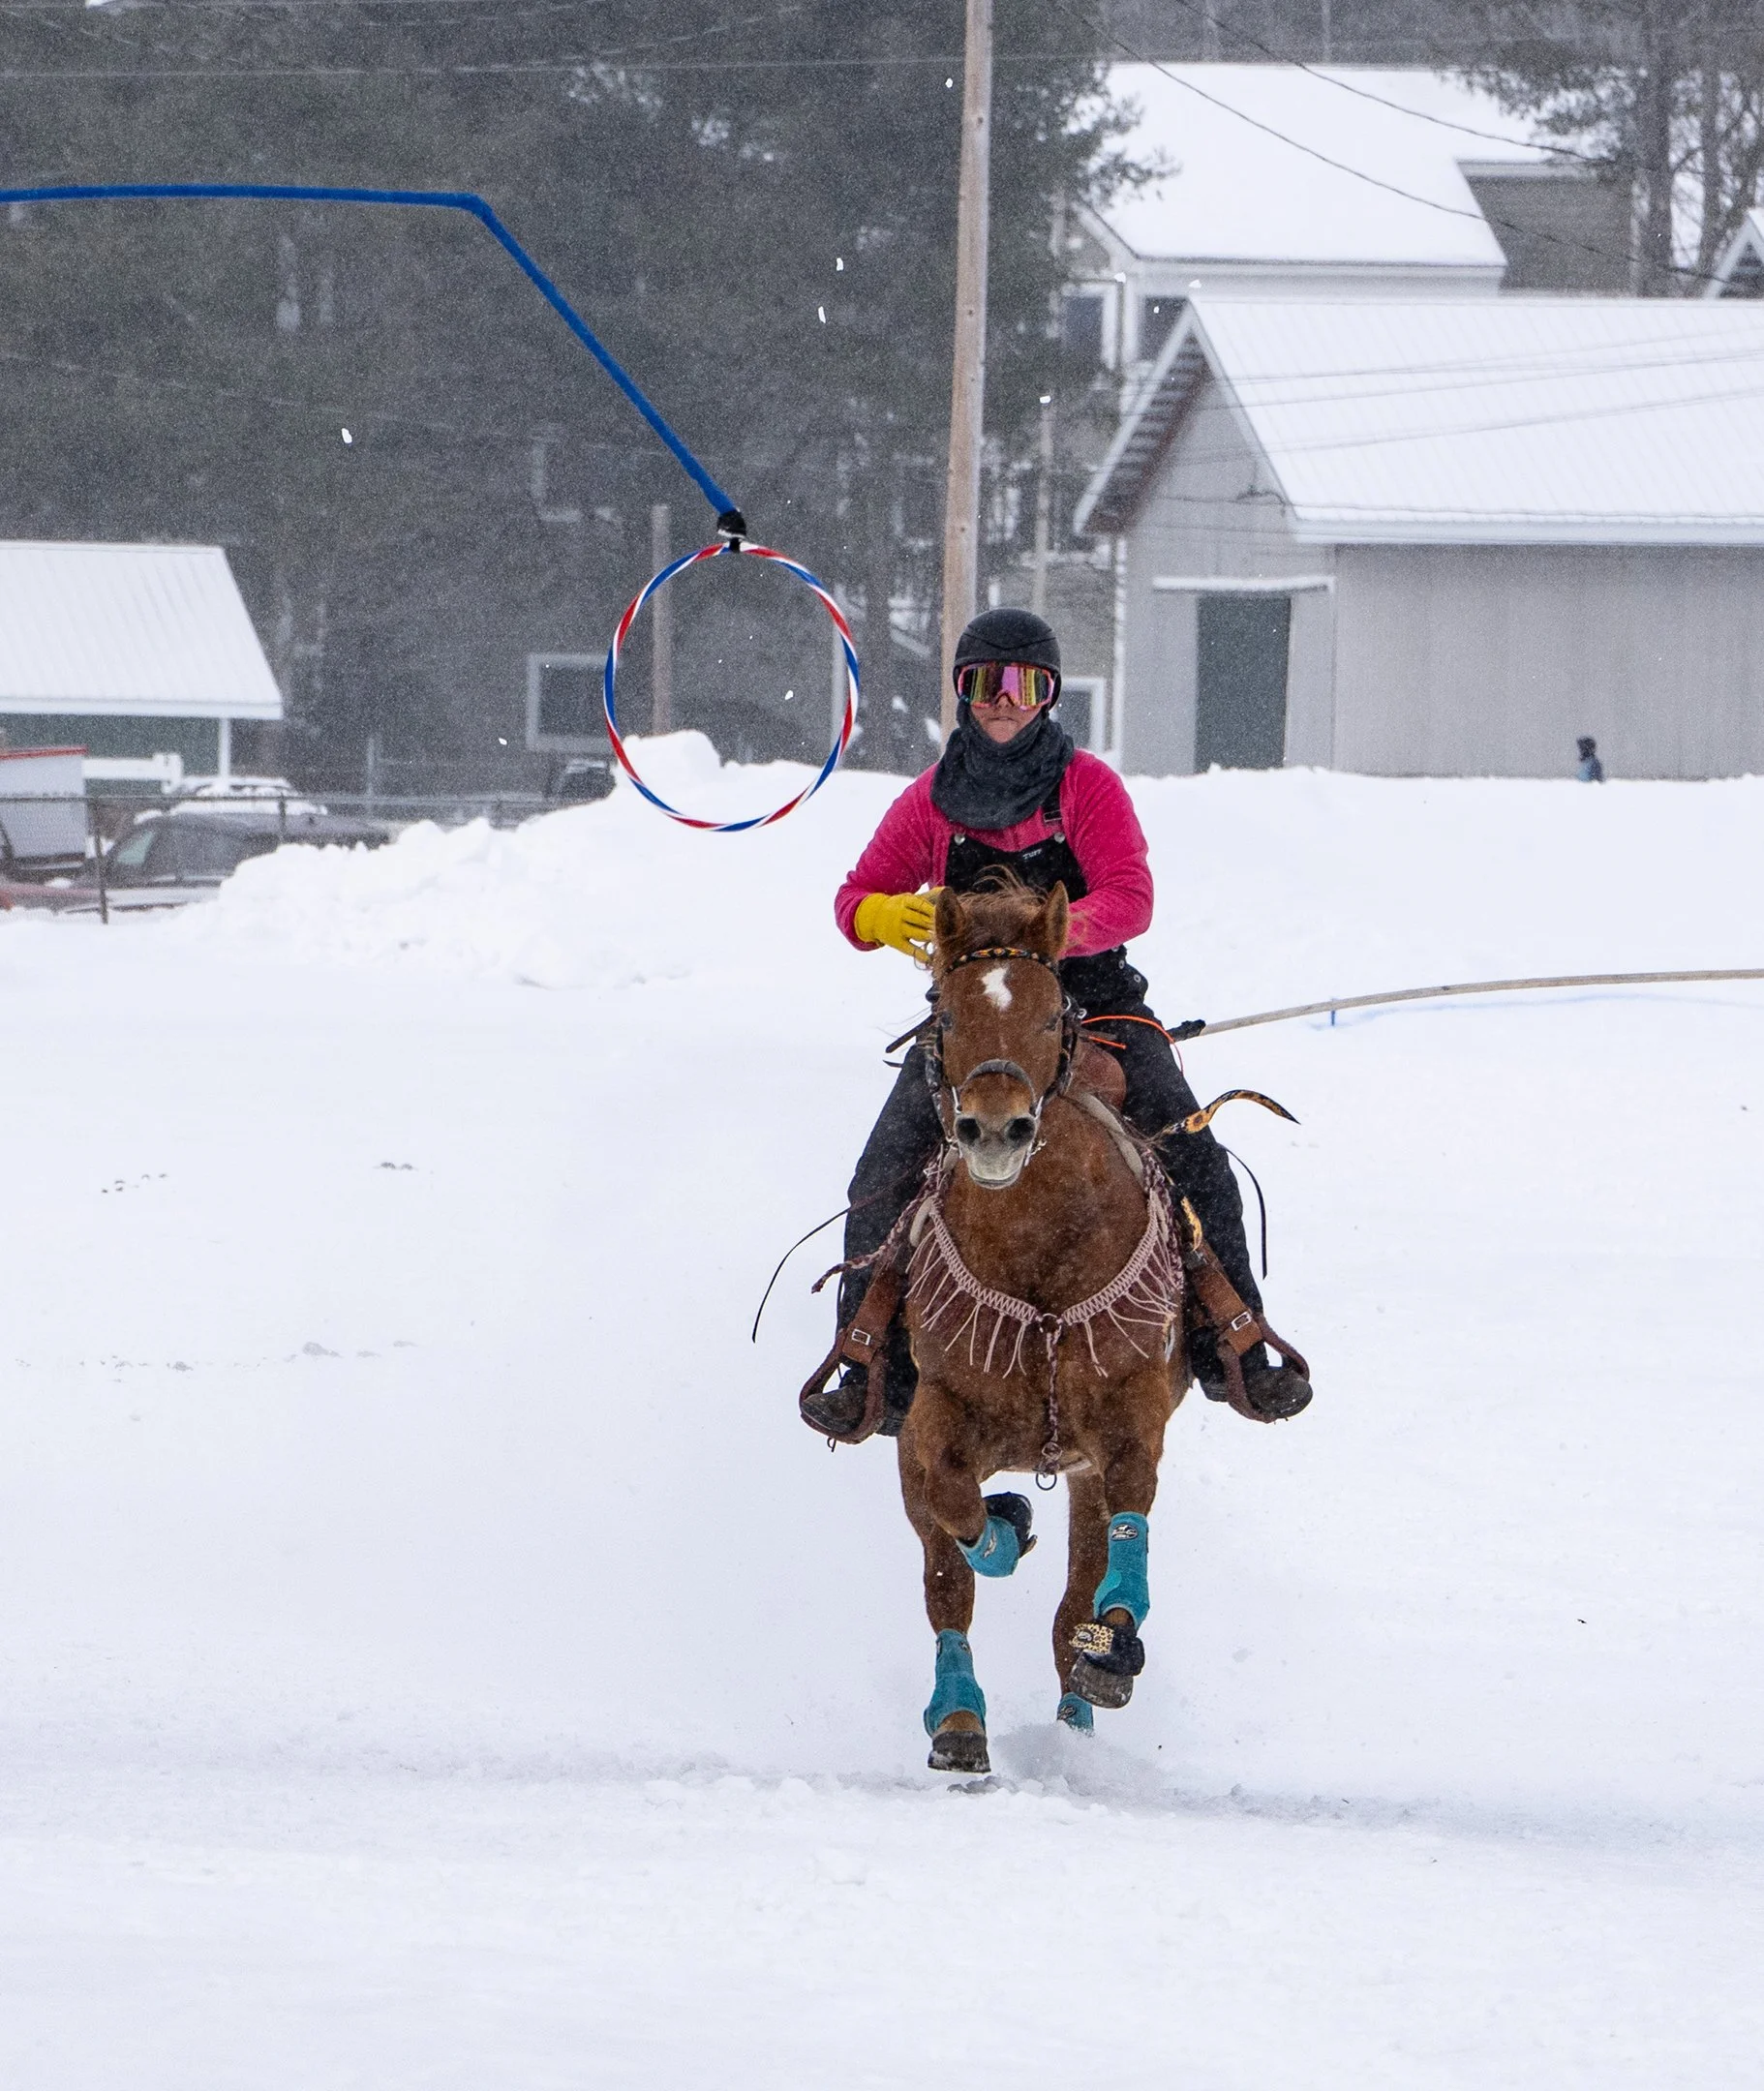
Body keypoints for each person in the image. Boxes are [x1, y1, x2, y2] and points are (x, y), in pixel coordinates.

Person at [802, 605, 1312, 1439]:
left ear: (1049, 696)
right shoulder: (930, 802)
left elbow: (1130, 895)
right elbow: (851, 901)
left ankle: (1235, 1343)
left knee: (1194, 1151)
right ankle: (870, 1369)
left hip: (1097, 1001)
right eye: (984, 683)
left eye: (1024, 684)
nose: (1004, 701)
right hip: (975, 1023)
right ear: (962, 693)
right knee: (881, 1174)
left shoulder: (1087, 788)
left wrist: (1045, 939)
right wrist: (881, 917)